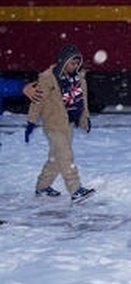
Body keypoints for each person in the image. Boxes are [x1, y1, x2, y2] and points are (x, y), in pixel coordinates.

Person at [25, 43, 95, 202]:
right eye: (72, 63)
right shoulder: (48, 78)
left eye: (77, 63)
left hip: (68, 124)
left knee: (56, 159)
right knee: (66, 156)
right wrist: (31, 122)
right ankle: (75, 189)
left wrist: (85, 117)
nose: (75, 66)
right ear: (64, 61)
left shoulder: (78, 78)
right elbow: (37, 101)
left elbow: (82, 101)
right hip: (53, 125)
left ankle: (42, 187)